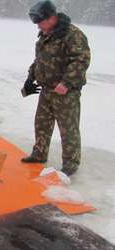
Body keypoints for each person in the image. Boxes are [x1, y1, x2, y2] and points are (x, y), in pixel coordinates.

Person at [21, 0, 91, 176]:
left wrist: (67, 82)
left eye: (41, 22)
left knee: (68, 128)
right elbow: (40, 60)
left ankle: (71, 163)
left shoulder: (72, 34)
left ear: (52, 17)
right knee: (41, 124)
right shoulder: (45, 34)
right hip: (47, 90)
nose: (39, 26)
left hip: (66, 92)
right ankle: (39, 153)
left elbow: (80, 60)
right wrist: (30, 78)